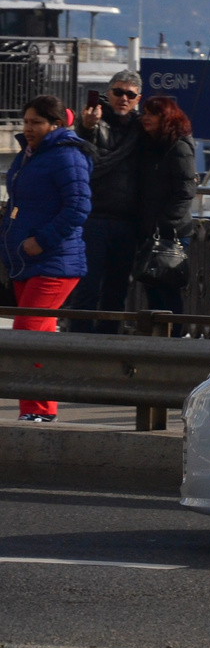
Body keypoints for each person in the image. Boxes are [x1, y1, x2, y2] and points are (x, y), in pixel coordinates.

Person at [2, 95, 93, 422]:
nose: (28, 128)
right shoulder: (31, 155)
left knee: (27, 332)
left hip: (55, 262)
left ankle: (38, 411)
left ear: (54, 125)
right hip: (26, 263)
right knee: (36, 334)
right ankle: (39, 411)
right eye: (26, 121)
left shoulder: (67, 155)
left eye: (35, 122)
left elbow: (79, 207)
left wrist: (42, 241)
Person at [66, 70, 144, 333]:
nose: (123, 98)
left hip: (127, 221)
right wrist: (86, 127)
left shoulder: (140, 128)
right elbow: (83, 157)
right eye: (118, 92)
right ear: (108, 94)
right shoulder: (94, 121)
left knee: (116, 291)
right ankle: (78, 343)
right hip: (95, 217)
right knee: (87, 287)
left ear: (137, 99)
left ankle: (108, 346)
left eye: (130, 94)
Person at [134, 96, 197, 317]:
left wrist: (163, 224)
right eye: (144, 113)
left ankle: (173, 339)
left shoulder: (178, 147)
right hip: (151, 231)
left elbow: (186, 191)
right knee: (152, 288)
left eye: (152, 114)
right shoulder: (150, 144)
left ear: (166, 117)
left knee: (167, 289)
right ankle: (159, 339)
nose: (145, 118)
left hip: (172, 233)